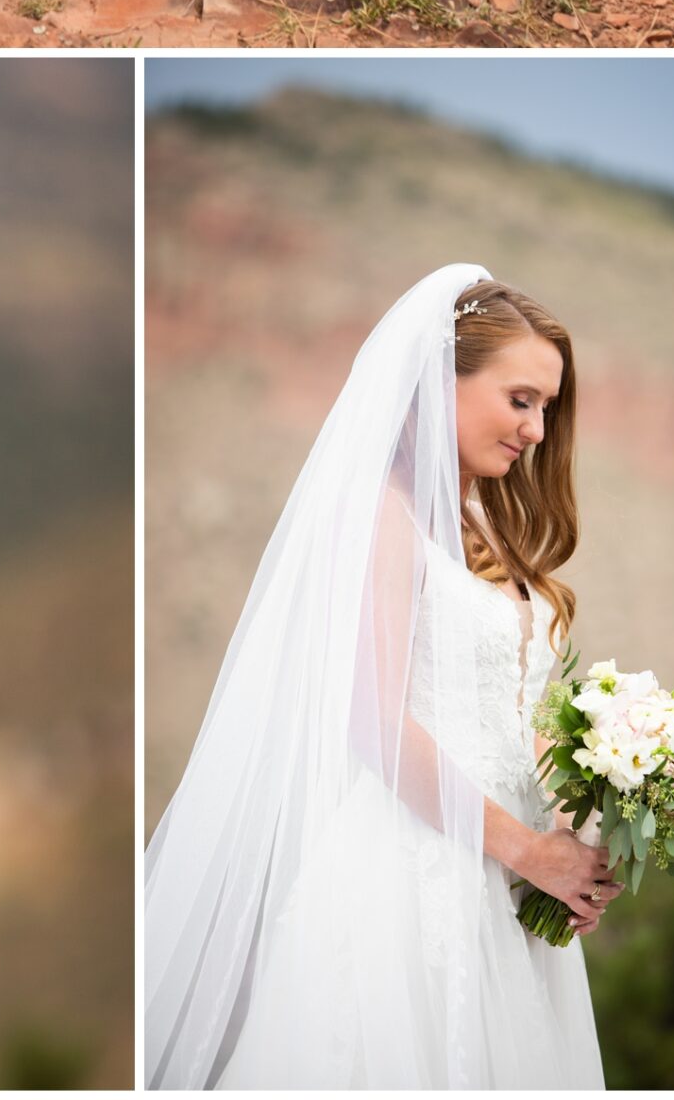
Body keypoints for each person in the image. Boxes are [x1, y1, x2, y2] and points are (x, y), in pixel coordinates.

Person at [145, 265, 609, 1089]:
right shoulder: (378, 517)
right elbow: (376, 721)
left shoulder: (481, 529)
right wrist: (532, 852)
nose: (537, 430)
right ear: (442, 381)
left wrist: (596, 821)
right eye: (520, 399)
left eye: (546, 407)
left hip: (505, 897)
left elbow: (509, 716)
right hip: (409, 880)